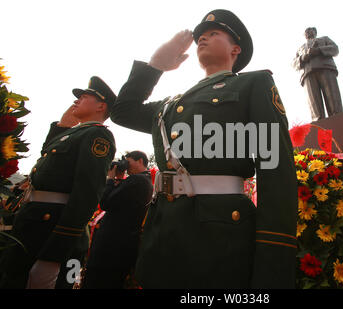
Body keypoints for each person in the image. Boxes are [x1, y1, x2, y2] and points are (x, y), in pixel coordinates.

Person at [111, 9, 298, 288]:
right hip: (164, 232)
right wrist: (155, 66)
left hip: (219, 238)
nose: (202, 39)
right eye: (200, 36)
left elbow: (275, 170)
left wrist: (273, 264)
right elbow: (122, 112)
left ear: (236, 48)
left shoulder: (253, 84)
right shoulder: (170, 104)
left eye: (213, 34)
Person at [0, 76, 116, 289]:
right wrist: (62, 126)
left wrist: (56, 252)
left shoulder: (97, 135)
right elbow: (48, 158)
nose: (76, 100)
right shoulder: (74, 133)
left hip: (52, 230)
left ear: (101, 106)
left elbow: (87, 194)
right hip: (34, 224)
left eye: (84, 97)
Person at [82, 151, 153, 289]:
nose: (126, 166)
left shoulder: (137, 180)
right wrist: (120, 179)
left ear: (140, 161)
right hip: (123, 245)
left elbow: (106, 203)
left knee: (96, 282)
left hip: (111, 246)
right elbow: (119, 202)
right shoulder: (146, 181)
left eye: (128, 161)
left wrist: (110, 179)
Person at [293, 27, 343, 121]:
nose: (308, 33)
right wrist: (303, 57)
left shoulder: (324, 39)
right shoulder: (301, 48)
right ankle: (318, 121)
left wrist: (319, 50)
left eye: (310, 31)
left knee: (333, 100)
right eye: (306, 32)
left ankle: (338, 118)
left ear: (315, 32)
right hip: (307, 74)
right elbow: (294, 64)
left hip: (325, 68)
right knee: (315, 107)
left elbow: (335, 49)